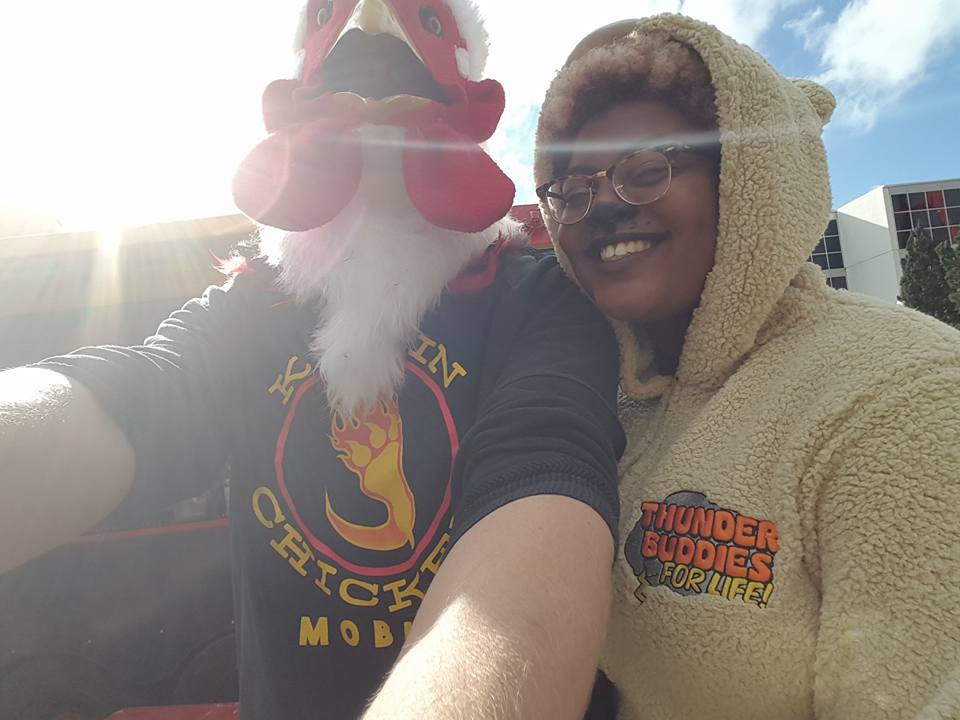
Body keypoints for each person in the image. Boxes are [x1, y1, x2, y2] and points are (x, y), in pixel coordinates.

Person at [0, 2, 625, 719]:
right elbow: (142, 392)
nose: (372, 27)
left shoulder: (541, 300)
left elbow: (547, 473)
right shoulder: (250, 309)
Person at [534, 14, 960, 720]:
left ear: (746, 181)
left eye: (647, 171)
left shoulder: (904, 395)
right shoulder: (601, 399)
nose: (602, 205)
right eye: (572, 190)